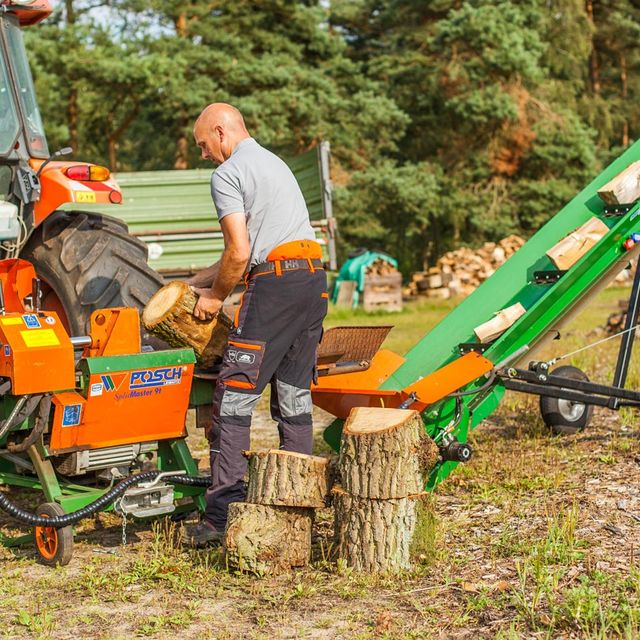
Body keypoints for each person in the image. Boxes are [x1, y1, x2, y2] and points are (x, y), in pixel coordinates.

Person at [186, 103, 328, 546]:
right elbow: (256, 246)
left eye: (203, 145)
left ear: (221, 131)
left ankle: (219, 517)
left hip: (276, 287)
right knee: (293, 394)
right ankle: (296, 506)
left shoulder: (226, 176)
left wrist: (213, 297)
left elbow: (240, 253)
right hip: (313, 280)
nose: (204, 155)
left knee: (232, 398)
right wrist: (196, 281)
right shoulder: (272, 163)